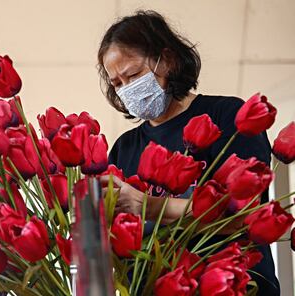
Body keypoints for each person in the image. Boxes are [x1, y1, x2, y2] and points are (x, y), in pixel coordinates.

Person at [97, 10, 280, 295]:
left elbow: (243, 215)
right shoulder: (125, 148)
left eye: (133, 74)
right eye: (117, 83)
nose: (127, 89)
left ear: (167, 60)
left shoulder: (226, 116)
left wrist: (148, 205)